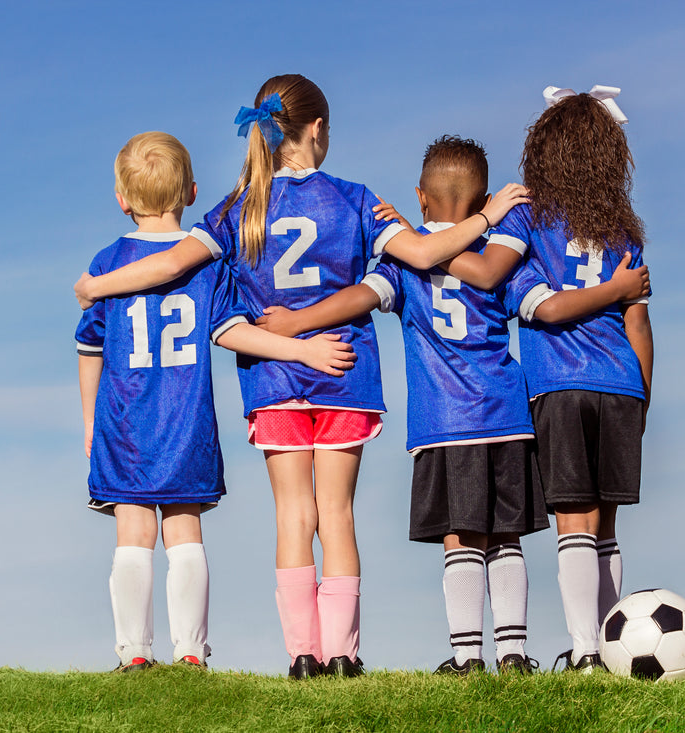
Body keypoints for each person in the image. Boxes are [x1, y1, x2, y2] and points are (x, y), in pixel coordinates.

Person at [73, 74, 527, 678]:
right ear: (317, 129)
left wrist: (98, 285)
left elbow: (173, 260)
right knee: (337, 515)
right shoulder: (356, 198)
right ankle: (343, 653)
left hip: (272, 379)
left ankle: (301, 657)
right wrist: (487, 216)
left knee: (294, 516)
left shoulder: (236, 209)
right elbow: (422, 256)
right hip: (345, 373)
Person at [257, 135, 647, 675]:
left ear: (420, 197)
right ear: (484, 198)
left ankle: (466, 657)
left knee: (460, 538)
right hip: (508, 416)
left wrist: (297, 322)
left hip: (445, 423)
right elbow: (535, 304)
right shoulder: (499, 262)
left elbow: (358, 299)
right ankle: (513, 654)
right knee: (506, 535)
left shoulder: (404, 263)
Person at [77, 131, 356, 673]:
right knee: (185, 529)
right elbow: (234, 333)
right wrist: (300, 349)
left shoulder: (108, 264)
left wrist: (90, 422)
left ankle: (134, 654)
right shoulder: (206, 265)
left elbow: (89, 350)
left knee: (133, 531)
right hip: (187, 423)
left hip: (125, 425)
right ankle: (190, 653)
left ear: (121, 199)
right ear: (191, 192)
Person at [449, 86, 653, 672]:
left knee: (575, 522)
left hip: (560, 387)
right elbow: (639, 327)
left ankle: (589, 649)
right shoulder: (622, 231)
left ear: (543, 153)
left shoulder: (528, 221)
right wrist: (644, 395)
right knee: (607, 523)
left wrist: (423, 245)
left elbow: (544, 308)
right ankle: (614, 653)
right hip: (621, 387)